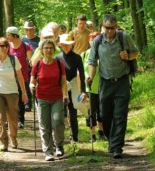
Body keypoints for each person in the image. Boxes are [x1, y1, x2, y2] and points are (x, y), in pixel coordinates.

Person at [87, 14, 139, 159]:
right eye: (106, 28)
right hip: (105, 81)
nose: (109, 31)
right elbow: (92, 61)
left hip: (122, 80)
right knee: (105, 114)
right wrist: (90, 77)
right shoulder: (98, 41)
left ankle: (117, 147)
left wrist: (128, 56)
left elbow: (136, 52)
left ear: (116, 26)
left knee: (120, 115)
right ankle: (111, 140)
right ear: (102, 27)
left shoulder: (124, 37)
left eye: (112, 28)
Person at [0, 37, 28, 152]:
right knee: (0, 118)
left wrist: (24, 92)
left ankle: (13, 137)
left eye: (6, 46)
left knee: (13, 118)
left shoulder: (13, 59)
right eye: (2, 46)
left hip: (12, 91)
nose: (4, 48)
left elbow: (20, 77)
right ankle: (3, 142)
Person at [30, 40, 68, 161]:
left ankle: (59, 146)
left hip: (57, 97)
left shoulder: (58, 63)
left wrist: (65, 95)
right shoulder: (38, 65)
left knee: (57, 122)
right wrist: (31, 86)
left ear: (54, 50)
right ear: (42, 50)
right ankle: (48, 151)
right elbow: (32, 81)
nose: (48, 50)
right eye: (46, 48)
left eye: (51, 48)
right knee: (44, 124)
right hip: (42, 98)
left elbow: (63, 81)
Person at [56, 34, 87, 142]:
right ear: (60, 45)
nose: (65, 47)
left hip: (73, 85)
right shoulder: (58, 58)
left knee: (73, 112)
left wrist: (83, 91)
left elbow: (82, 75)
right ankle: (60, 138)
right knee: (62, 114)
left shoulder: (77, 58)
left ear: (71, 45)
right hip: (62, 86)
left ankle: (74, 136)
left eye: (67, 45)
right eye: (63, 45)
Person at [6, 26, 32, 129]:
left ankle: (21, 120)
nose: (7, 37)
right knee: (11, 99)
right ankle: (11, 120)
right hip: (10, 77)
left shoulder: (26, 46)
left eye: (8, 35)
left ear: (14, 35)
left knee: (21, 99)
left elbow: (30, 61)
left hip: (23, 76)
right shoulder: (7, 46)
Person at [81, 31, 105, 141]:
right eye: (91, 39)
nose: (93, 41)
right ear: (89, 41)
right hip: (88, 88)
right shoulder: (85, 54)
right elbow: (80, 72)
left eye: (95, 39)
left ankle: (102, 132)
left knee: (102, 111)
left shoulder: (104, 53)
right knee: (90, 112)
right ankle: (92, 135)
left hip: (102, 87)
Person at [22, 21, 40, 112]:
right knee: (26, 83)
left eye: (31, 29)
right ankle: (28, 103)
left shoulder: (39, 40)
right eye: (27, 30)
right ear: (25, 30)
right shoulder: (22, 40)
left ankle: (38, 101)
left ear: (34, 29)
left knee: (37, 84)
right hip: (25, 66)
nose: (29, 31)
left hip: (38, 66)